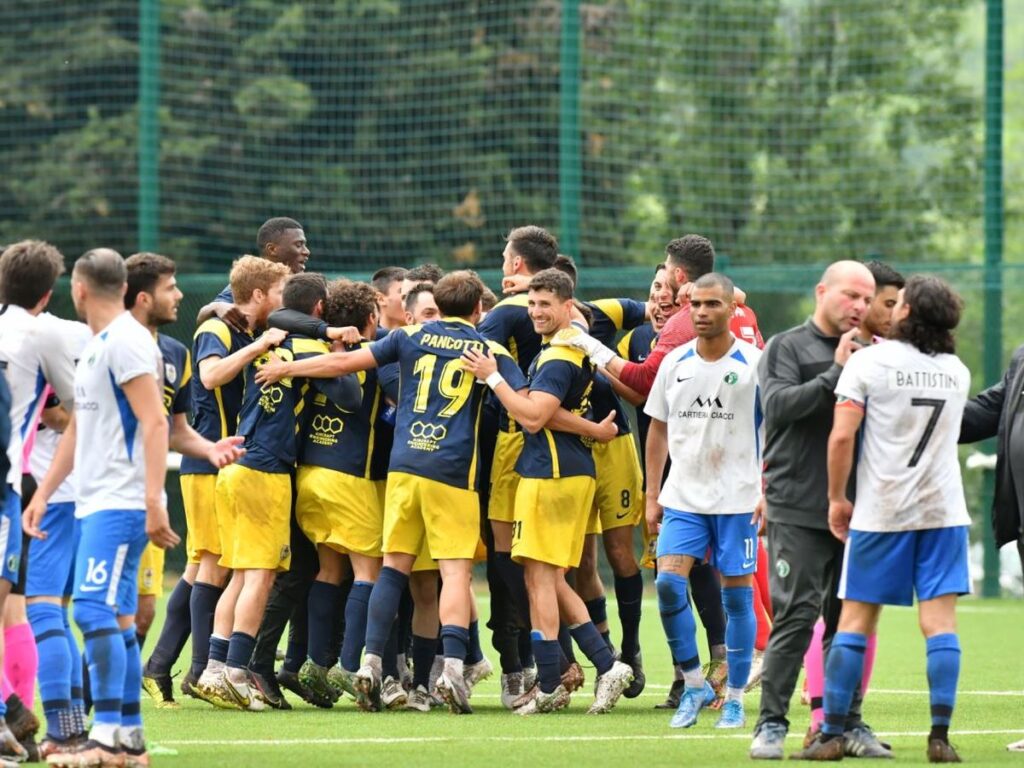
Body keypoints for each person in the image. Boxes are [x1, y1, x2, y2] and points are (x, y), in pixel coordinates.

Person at [256, 270, 527, 714]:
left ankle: (370, 662)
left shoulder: (408, 337)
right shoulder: (487, 349)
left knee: (392, 570)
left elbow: (341, 364)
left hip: (402, 470)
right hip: (452, 473)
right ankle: (453, 669)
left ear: (438, 305)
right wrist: (496, 380)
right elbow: (529, 408)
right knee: (454, 574)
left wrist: (287, 368)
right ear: (479, 309)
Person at [792, 276, 970, 763]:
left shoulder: (869, 362)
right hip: (944, 513)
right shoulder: (956, 370)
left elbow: (841, 437)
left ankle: (830, 734)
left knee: (855, 621)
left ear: (907, 312)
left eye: (899, 303)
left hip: (883, 511)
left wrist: (836, 498)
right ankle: (940, 737)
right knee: (940, 624)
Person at [24, 248, 179, 767]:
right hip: (96, 502)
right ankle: (127, 739)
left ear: (79, 289)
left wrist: (153, 500)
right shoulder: (98, 346)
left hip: (120, 503)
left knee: (91, 610)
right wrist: (44, 493)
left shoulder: (127, 342)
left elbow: (155, 422)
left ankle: (108, 737)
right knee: (114, 616)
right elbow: (79, 430)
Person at [461, 268, 633, 716]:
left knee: (541, 580)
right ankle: (586, 671)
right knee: (547, 579)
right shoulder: (563, 349)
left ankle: (570, 676)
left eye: (545, 305)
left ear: (567, 306)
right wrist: (593, 429)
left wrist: (492, 377)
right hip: (562, 472)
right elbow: (548, 412)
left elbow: (534, 417)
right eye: (532, 304)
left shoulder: (558, 356)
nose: (536, 312)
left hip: (552, 475)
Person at [196, 272, 359, 712]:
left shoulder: (267, 339)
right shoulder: (309, 348)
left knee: (241, 574)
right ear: (319, 308)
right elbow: (350, 395)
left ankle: (214, 669)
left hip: (235, 467)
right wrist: (338, 346)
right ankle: (235, 673)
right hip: (266, 472)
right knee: (261, 578)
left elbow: (286, 317)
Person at [749, 260, 890, 760]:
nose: (860, 306)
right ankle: (771, 724)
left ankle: (845, 724)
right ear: (822, 291)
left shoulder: (878, 355)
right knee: (797, 616)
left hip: (862, 511)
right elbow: (780, 407)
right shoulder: (787, 347)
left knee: (849, 622)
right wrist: (837, 371)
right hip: (798, 507)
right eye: (851, 295)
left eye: (867, 298)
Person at [642, 273, 763, 730]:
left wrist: (768, 490)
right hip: (683, 498)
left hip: (737, 499)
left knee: (737, 599)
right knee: (668, 585)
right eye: (695, 304)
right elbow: (658, 429)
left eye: (712, 304)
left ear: (732, 308)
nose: (702, 312)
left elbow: (777, 431)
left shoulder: (754, 364)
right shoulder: (674, 362)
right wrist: (652, 494)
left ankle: (734, 698)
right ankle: (694, 684)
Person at [127, 253, 246, 707]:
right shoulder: (107, 345)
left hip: (170, 482)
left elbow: (175, 428)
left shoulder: (175, 353)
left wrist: (211, 449)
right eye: (170, 287)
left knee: (155, 602)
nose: (179, 294)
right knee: (209, 564)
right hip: (111, 495)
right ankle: (199, 669)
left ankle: (156, 670)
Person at [800, 259, 903, 738]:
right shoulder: (819, 352)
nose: (894, 313)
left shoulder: (894, 358)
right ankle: (822, 719)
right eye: (887, 303)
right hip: (818, 503)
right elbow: (792, 427)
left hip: (873, 504)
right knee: (822, 611)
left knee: (862, 610)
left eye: (899, 305)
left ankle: (845, 719)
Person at [0, 241, 77, 761]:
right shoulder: (48, 333)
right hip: (13, 481)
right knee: (16, 606)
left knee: (15, 606)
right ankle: (14, 713)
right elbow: (74, 411)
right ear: (48, 294)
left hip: (18, 484)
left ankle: (13, 719)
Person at [477, 226, 559, 707]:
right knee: (549, 565)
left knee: (508, 556)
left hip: (512, 441)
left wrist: (513, 388)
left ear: (515, 265)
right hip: (564, 447)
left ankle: (521, 664)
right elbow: (629, 309)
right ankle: (568, 660)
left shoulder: (506, 313)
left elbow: (475, 349)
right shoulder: (571, 310)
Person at [552, 235, 762, 396]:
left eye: (667, 270)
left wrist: (590, 347)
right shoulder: (744, 311)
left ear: (678, 274)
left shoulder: (686, 321)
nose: (661, 294)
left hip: (712, 427)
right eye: (656, 285)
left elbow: (643, 380)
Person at [371, 267, 408, 331]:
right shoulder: (365, 335)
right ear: (381, 299)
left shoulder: (423, 334)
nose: (413, 299)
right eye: (404, 293)